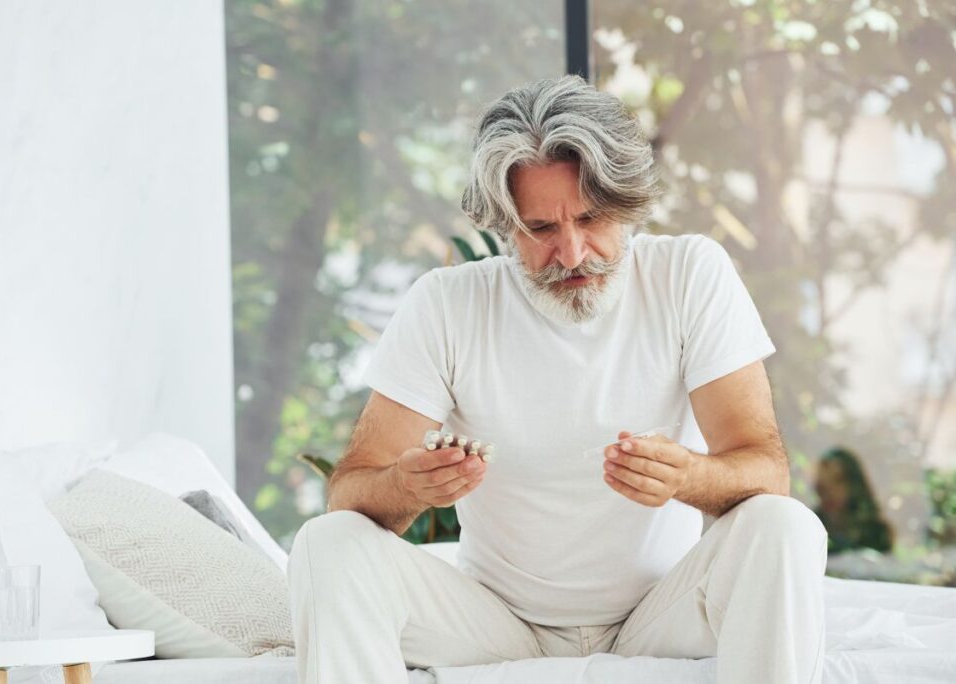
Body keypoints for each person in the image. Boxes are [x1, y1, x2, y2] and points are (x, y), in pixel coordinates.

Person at [288, 75, 828, 684]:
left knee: (785, 526)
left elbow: (765, 471)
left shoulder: (688, 274)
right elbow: (350, 491)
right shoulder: (448, 303)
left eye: (592, 218)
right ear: (504, 225)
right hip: (497, 622)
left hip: (662, 612)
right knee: (326, 543)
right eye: (542, 229)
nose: (572, 254)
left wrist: (691, 476)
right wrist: (408, 488)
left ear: (625, 205)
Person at [815, 446, 893, 554]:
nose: (830, 491)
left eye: (838, 480)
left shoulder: (874, 531)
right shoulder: (813, 528)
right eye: (823, 486)